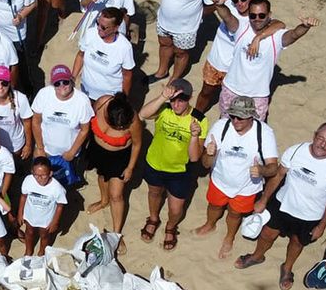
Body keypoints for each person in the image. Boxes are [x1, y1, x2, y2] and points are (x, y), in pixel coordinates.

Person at [236, 123, 326, 289]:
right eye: (321, 138)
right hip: (282, 203)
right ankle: (257, 256)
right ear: (314, 136)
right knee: (267, 233)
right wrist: (264, 200)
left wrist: (321, 226)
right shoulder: (296, 150)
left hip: (309, 215)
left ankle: (287, 268)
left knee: (297, 243)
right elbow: (278, 175)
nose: (323, 144)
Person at [195, 96, 279, 259]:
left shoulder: (264, 133)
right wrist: (209, 154)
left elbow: (273, 168)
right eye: (232, 115)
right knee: (214, 206)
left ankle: (229, 237)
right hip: (219, 181)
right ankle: (210, 224)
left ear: (251, 116)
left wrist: (261, 170)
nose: (235, 121)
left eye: (240, 117)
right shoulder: (221, 127)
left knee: (234, 214)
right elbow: (205, 164)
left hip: (246, 187)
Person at [210, 0, 316, 120]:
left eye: (261, 15)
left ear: (269, 15)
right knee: (225, 122)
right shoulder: (241, 27)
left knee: (253, 129)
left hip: (257, 96)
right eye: (253, 16)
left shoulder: (277, 37)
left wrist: (305, 26)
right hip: (232, 89)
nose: (257, 19)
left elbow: (294, 34)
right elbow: (227, 16)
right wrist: (219, 5)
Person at [196, 0, 279, 116]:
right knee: (206, 92)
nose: (239, 3)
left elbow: (279, 24)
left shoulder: (257, 18)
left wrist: (259, 37)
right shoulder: (229, 6)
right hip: (215, 62)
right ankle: (196, 116)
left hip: (235, 70)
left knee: (233, 105)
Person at [138, 79, 207, 252]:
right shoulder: (164, 108)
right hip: (155, 164)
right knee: (154, 193)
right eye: (173, 100)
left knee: (176, 209)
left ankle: (170, 227)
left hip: (180, 171)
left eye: (181, 100)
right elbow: (143, 114)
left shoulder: (199, 119)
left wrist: (194, 136)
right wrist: (163, 97)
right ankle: (153, 219)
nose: (176, 105)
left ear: (190, 98)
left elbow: (194, 157)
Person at [85, 96, 143, 252]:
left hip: (119, 157)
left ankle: (116, 234)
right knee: (102, 176)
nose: (119, 127)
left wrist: (130, 167)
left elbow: (137, 144)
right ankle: (104, 201)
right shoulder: (102, 102)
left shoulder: (133, 120)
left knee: (116, 195)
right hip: (98, 151)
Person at [30, 64, 93, 187]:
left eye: (65, 82)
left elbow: (84, 130)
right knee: (40, 182)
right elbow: (36, 121)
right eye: (57, 83)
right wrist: (40, 148)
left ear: (71, 80)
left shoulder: (82, 101)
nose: (61, 86)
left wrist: (72, 152)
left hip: (68, 155)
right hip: (45, 151)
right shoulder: (44, 94)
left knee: (65, 184)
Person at [73, 7, 135, 102]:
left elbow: (127, 75)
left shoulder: (125, 47)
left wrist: (123, 98)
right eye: (98, 23)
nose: (98, 28)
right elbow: (81, 55)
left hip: (108, 98)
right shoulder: (90, 33)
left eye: (103, 27)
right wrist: (73, 77)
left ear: (116, 28)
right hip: (86, 92)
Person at [0, 65, 34, 163]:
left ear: (10, 83)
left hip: (14, 147)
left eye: (4, 83)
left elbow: (27, 122)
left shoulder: (21, 99)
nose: (0, 87)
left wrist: (28, 145)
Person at [19, 156, 68, 256]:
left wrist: (55, 222)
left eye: (43, 175)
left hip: (46, 218)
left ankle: (42, 252)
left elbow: (60, 205)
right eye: (36, 175)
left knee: (44, 235)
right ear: (32, 172)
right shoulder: (28, 180)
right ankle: (28, 250)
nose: (39, 178)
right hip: (30, 215)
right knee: (29, 232)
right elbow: (23, 196)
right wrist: (20, 213)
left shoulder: (57, 188)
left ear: (50, 173)